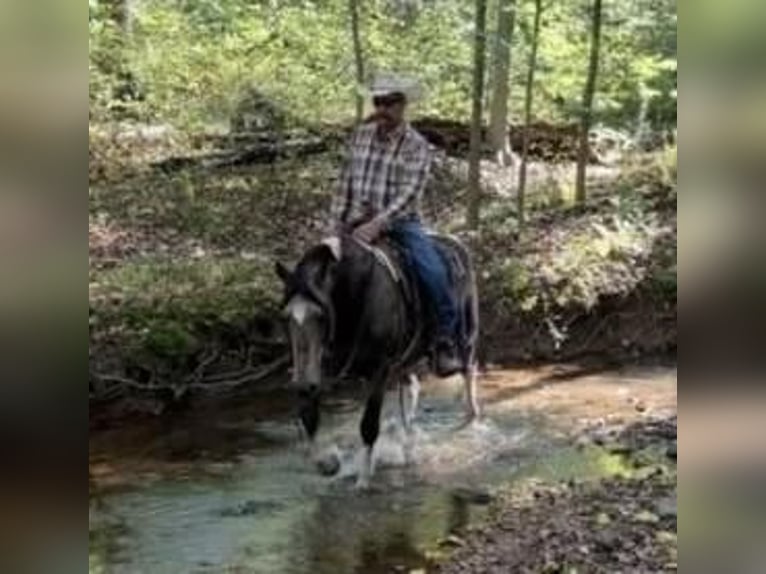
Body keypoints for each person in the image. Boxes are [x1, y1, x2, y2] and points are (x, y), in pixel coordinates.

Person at [330, 74, 462, 377]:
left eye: (389, 102)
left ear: (402, 104)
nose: (383, 108)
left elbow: (409, 193)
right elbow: (344, 183)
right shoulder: (360, 136)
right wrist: (334, 225)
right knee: (315, 271)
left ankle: (443, 341)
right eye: (378, 102)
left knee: (432, 270)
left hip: (399, 221)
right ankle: (321, 343)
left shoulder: (416, 145)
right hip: (354, 220)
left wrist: (379, 223)